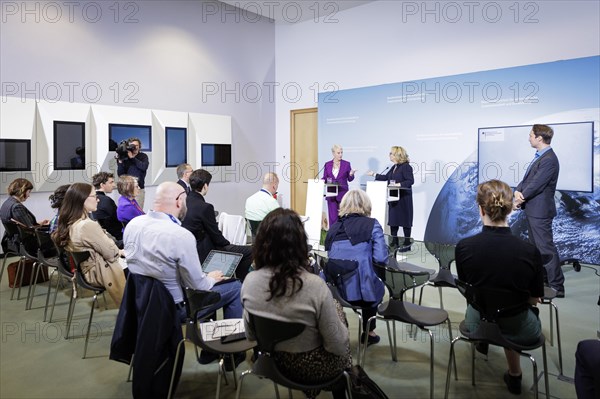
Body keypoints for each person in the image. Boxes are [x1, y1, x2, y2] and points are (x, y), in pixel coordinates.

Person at [123, 181, 245, 367]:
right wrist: (210, 277)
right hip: (175, 309)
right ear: (179, 201)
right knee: (235, 288)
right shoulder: (180, 235)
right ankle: (231, 352)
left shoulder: (133, 225)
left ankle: (209, 350)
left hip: (141, 304)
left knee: (209, 291)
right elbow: (199, 286)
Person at [241, 208, 351, 399]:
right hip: (311, 368)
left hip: (272, 363)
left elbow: (251, 336)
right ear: (300, 243)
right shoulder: (315, 286)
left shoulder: (249, 282)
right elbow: (337, 346)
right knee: (338, 314)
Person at [456, 179, 544, 395]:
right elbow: (533, 299)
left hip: (477, 320)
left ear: (480, 209)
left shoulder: (464, 248)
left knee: (488, 305)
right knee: (514, 312)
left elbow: (469, 289)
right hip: (516, 326)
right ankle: (515, 376)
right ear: (510, 209)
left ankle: (483, 341)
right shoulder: (529, 252)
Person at [325, 189, 387, 345]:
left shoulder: (333, 228)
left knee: (364, 272)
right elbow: (381, 258)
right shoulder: (372, 225)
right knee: (370, 275)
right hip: (363, 294)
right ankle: (369, 332)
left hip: (334, 293)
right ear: (366, 205)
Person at [52, 183, 126, 306]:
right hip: (99, 272)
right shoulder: (87, 225)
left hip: (84, 272)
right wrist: (119, 251)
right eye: (94, 196)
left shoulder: (69, 221)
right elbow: (110, 253)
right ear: (82, 200)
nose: (98, 200)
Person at [514, 124, 564, 297]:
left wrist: (520, 198)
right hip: (533, 210)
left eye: (530, 135)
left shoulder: (549, 159)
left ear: (539, 138)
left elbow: (537, 184)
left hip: (540, 212)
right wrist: (517, 190)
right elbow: (528, 179)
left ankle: (557, 286)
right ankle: (543, 281)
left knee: (545, 248)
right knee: (536, 249)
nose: (529, 138)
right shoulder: (540, 157)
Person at [181, 169, 253, 281]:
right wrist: (230, 245)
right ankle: (239, 283)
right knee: (250, 251)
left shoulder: (183, 202)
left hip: (190, 250)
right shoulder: (205, 207)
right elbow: (217, 238)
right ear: (205, 186)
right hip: (206, 252)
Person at [367, 145, 414, 249]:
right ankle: (395, 242)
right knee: (394, 221)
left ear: (397, 155)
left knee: (405, 221)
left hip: (403, 199)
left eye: (391, 153)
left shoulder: (406, 166)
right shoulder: (394, 167)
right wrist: (374, 174)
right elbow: (386, 177)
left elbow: (410, 181)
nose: (389, 155)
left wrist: (398, 184)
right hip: (393, 198)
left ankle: (407, 244)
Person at [1, 178, 49, 253]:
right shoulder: (17, 207)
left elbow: (22, 225)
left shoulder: (6, 203)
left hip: (12, 242)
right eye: (29, 192)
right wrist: (45, 227)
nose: (29, 195)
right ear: (22, 191)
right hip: (26, 245)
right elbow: (30, 229)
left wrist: (41, 223)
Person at [322, 144, 356, 226]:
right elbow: (325, 178)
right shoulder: (327, 164)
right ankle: (333, 236)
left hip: (343, 193)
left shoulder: (346, 164)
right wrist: (318, 182)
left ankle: (343, 236)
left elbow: (350, 179)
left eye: (341, 152)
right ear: (333, 153)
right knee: (333, 218)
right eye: (338, 153)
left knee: (343, 217)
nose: (340, 154)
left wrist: (351, 174)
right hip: (331, 194)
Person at [116, 137, 149, 208]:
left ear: (139, 147)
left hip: (138, 190)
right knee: (125, 212)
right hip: (126, 190)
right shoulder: (125, 157)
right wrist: (120, 162)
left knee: (137, 212)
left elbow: (143, 167)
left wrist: (132, 158)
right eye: (132, 145)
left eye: (136, 145)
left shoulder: (143, 156)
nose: (134, 147)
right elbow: (121, 175)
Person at [91, 171, 123, 242]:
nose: (114, 185)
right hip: (116, 238)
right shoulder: (106, 201)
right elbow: (118, 220)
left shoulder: (93, 200)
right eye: (111, 182)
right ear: (102, 185)